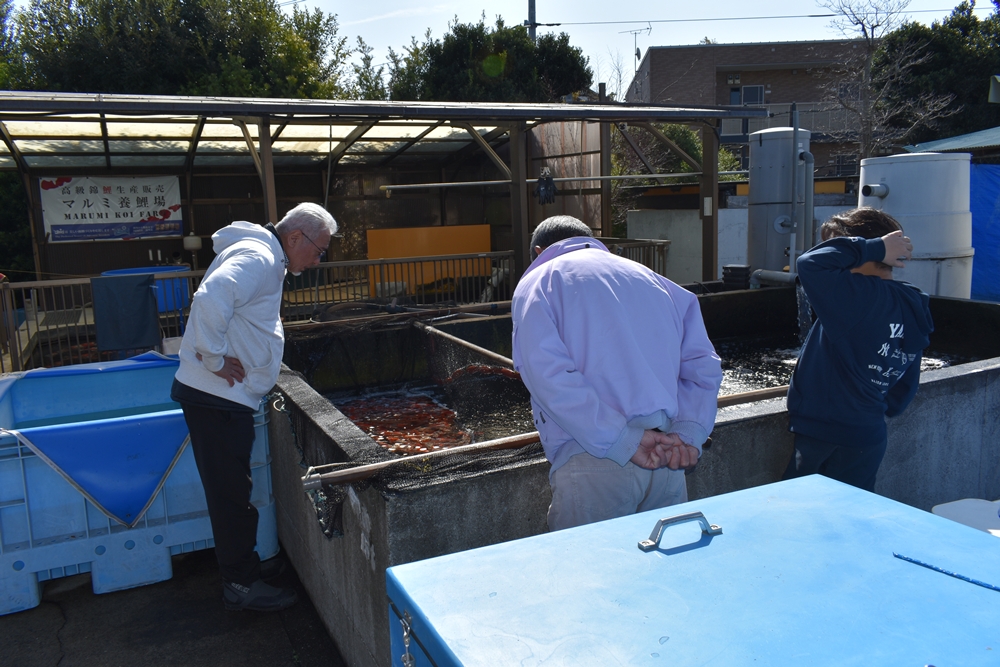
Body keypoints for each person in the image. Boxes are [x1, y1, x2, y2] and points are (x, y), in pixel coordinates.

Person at [171, 203, 337, 611]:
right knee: (231, 495)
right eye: (319, 250)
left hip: (221, 396)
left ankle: (243, 567)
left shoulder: (264, 255)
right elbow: (211, 297)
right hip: (216, 395)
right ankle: (240, 585)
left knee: (233, 488)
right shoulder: (260, 257)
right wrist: (212, 357)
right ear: (295, 237)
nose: (318, 260)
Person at [511, 216, 723, 531]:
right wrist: (688, 435)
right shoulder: (655, 280)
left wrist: (621, 440)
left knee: (591, 576)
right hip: (666, 456)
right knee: (662, 576)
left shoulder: (540, 281)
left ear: (539, 251)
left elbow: (547, 373)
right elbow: (702, 363)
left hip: (595, 458)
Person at [783, 207, 934, 492]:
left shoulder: (856, 296)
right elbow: (906, 377)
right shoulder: (913, 301)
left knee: (799, 514)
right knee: (852, 515)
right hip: (870, 433)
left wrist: (874, 247)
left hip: (824, 432)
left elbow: (810, 264)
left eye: (835, 246)